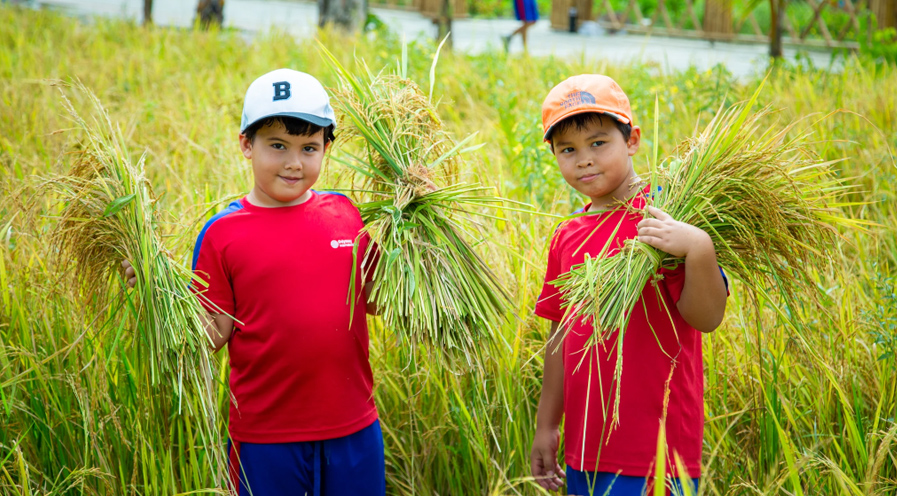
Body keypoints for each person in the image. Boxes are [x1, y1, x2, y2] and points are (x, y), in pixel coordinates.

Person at [123, 68, 384, 496]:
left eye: (309, 147)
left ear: (327, 148)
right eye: (277, 146)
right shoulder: (224, 233)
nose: (294, 162)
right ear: (246, 144)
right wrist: (159, 290)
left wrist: (416, 238)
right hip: (265, 439)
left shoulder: (345, 215)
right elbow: (212, 333)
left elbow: (378, 299)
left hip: (354, 428)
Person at [528, 74, 728, 495]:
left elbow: (707, 318)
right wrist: (546, 425)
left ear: (632, 140)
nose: (584, 160)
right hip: (585, 450)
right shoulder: (568, 236)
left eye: (598, 143)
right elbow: (559, 339)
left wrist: (699, 246)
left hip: (658, 453)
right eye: (568, 150)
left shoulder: (665, 215)